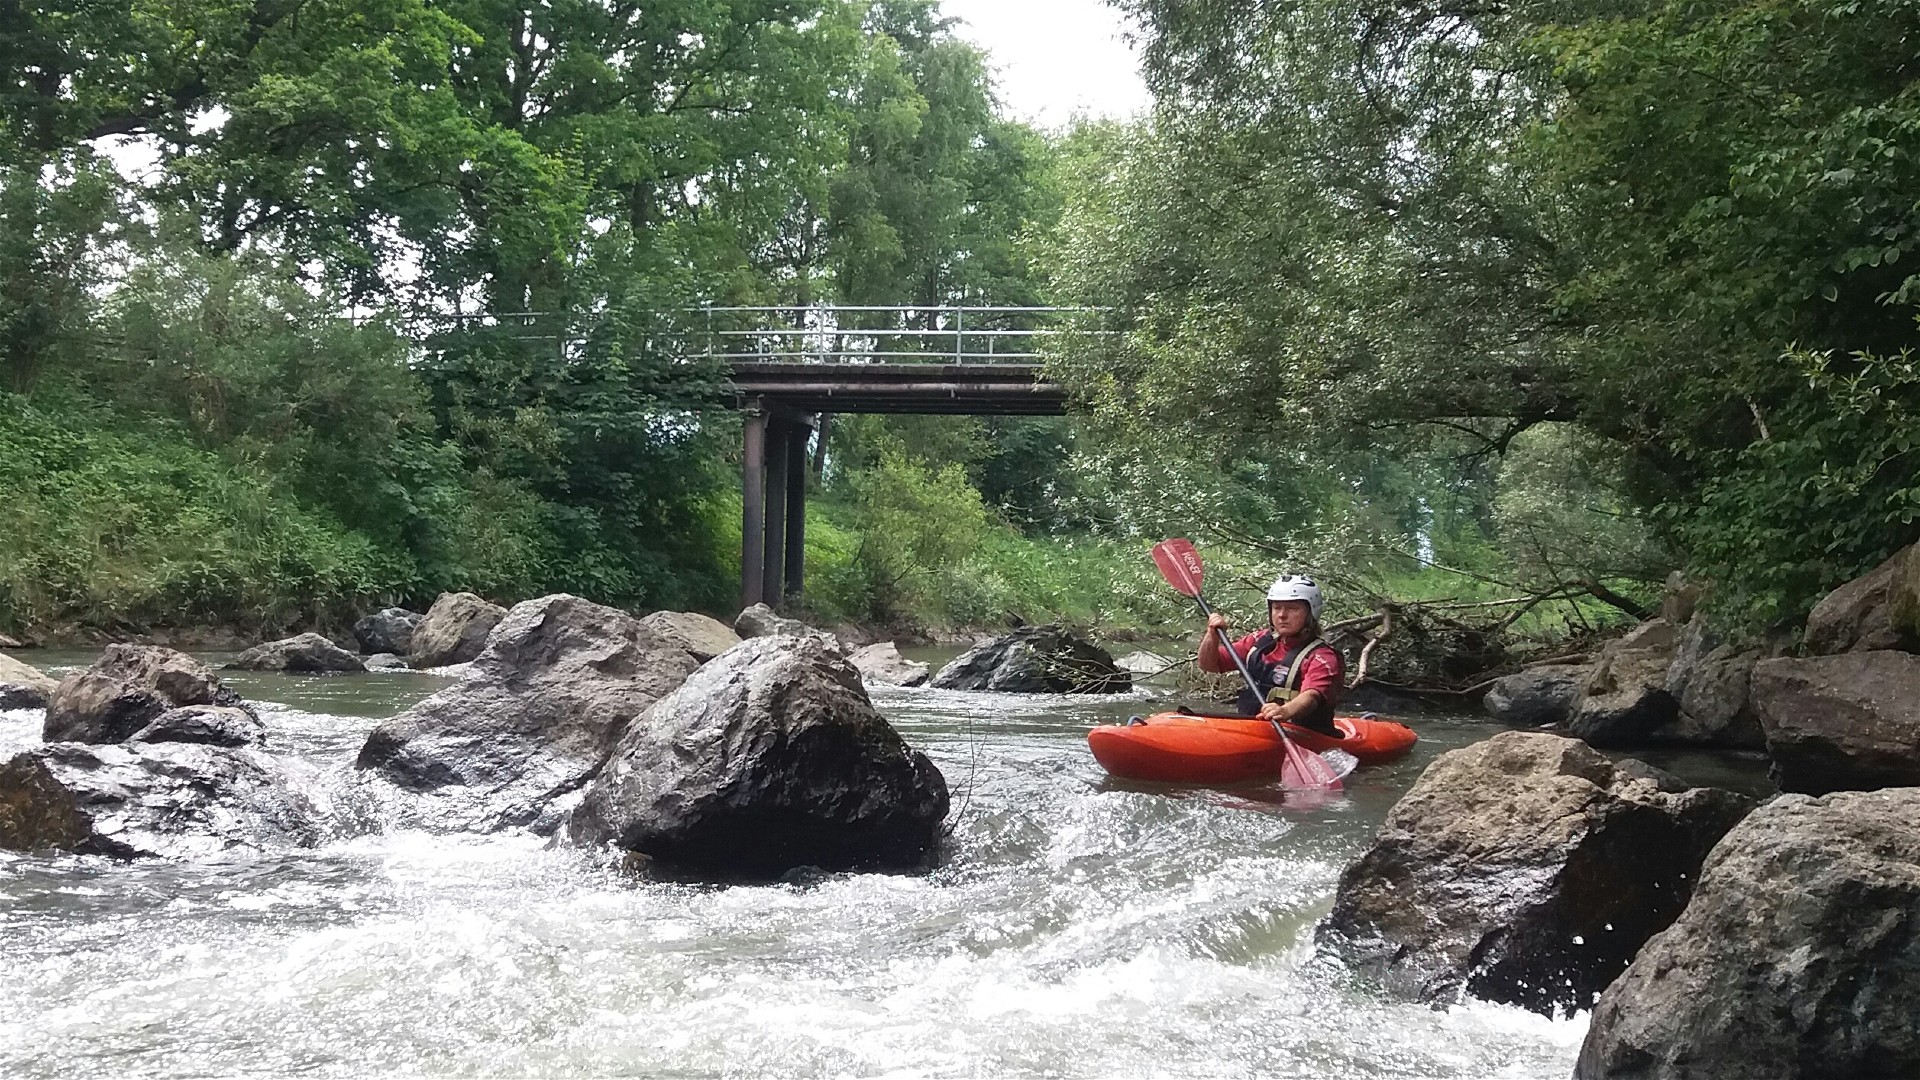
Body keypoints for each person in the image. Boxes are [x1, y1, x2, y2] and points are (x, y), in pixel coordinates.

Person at [1196, 573, 1344, 736]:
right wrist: (1212, 635)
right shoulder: (1259, 641)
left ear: (1310, 614)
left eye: (1292, 608)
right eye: (1277, 607)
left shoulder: (1322, 657)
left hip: (1302, 735)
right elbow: (1209, 664)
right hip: (1252, 729)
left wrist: (1285, 711)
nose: (1281, 615)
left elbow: (1311, 696)